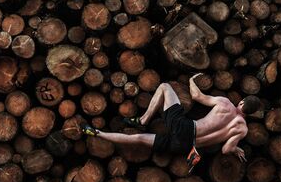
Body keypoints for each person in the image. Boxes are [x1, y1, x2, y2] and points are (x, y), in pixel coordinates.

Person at [81, 74, 260, 172]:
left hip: (186, 127)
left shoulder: (225, 103)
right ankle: (98, 133)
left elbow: (197, 96)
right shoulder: (242, 129)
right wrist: (236, 149)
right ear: (249, 114)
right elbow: (225, 150)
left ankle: (142, 119)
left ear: (242, 102)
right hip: (185, 146)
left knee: (165, 87)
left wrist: (191, 81)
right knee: (139, 139)